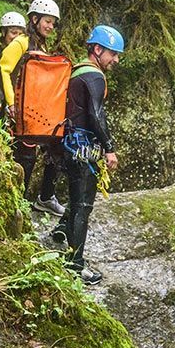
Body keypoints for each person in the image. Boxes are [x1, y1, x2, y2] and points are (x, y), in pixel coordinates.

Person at [50, 25, 122, 285]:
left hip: (69, 144)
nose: (116, 60)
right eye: (113, 53)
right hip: (82, 148)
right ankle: (75, 265)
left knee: (76, 197)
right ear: (98, 49)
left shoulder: (78, 71)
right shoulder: (94, 76)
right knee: (83, 205)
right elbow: (96, 115)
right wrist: (109, 148)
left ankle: (62, 228)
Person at [0, 0, 65, 216]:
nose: (51, 26)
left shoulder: (42, 45)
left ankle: (44, 197)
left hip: (37, 111)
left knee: (55, 149)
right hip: (19, 111)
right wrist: (11, 103)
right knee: (26, 158)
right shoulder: (22, 42)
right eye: (47, 21)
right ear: (34, 19)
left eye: (53, 23)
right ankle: (16, 204)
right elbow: (4, 69)